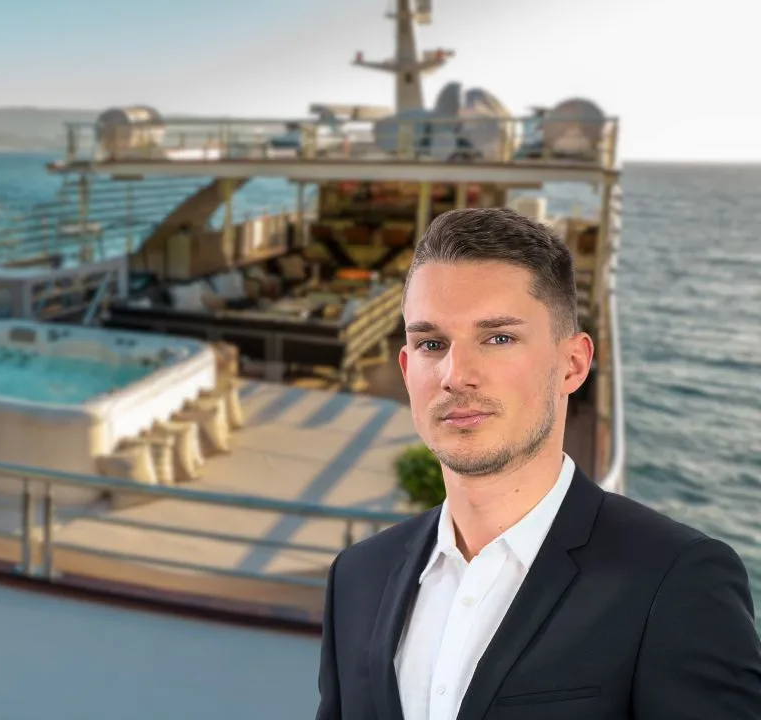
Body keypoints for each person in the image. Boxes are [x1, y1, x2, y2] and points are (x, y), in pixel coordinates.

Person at [314, 207, 761, 719]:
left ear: (573, 364)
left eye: (498, 338)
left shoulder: (674, 580)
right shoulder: (357, 578)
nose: (455, 374)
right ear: (406, 368)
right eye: (431, 344)